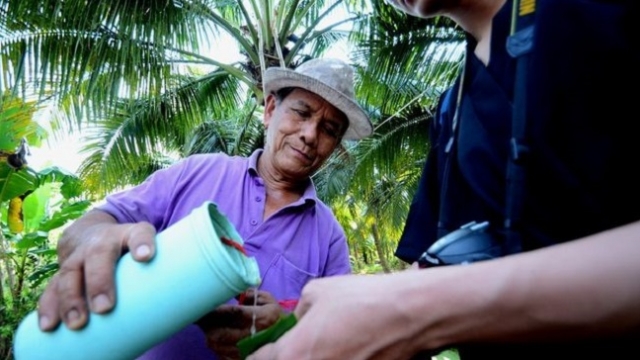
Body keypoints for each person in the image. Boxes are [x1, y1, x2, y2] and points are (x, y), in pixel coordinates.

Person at [247, 0, 640, 359]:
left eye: (329, 127)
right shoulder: (451, 109)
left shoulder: (599, 14)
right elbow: (438, 265)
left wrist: (413, 310)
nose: (311, 135)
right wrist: (300, 323)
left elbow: (424, 295)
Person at [35, 57, 373, 360]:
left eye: (329, 130)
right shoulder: (198, 172)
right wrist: (95, 239)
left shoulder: (328, 237)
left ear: (335, 147)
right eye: (301, 112)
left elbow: (336, 336)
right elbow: (86, 229)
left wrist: (285, 326)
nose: (310, 135)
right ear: (270, 109)